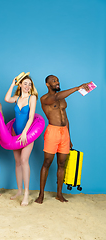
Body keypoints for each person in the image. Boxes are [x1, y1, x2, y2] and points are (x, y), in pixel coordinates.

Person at [35, 75, 90, 203]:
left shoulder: (63, 100)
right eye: (54, 81)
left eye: (58, 80)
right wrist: (77, 88)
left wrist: (69, 137)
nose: (57, 82)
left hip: (64, 133)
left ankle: (59, 194)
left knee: (62, 164)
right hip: (52, 132)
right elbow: (56, 97)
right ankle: (41, 195)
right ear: (48, 85)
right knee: (47, 163)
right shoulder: (45, 98)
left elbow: (66, 118)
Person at [5, 72, 38, 206]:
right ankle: (19, 190)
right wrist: (13, 84)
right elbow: (7, 98)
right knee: (17, 162)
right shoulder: (16, 97)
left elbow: (31, 117)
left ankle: (26, 194)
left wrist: (24, 133)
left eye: (30, 84)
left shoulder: (32, 98)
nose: (28, 86)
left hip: (27, 134)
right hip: (15, 133)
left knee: (24, 160)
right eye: (25, 83)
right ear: (20, 84)